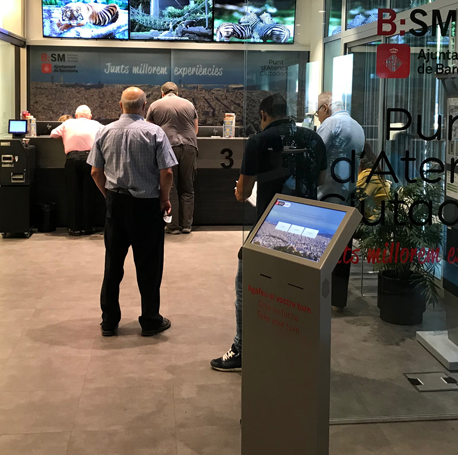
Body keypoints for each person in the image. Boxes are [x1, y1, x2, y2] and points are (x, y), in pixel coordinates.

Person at [210, 93, 327, 371]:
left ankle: (242, 348)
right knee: (298, 289)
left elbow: (244, 191)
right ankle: (295, 350)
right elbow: (321, 179)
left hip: (270, 228)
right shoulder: (313, 138)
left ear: (263, 114)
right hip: (307, 227)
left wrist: (239, 192)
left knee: (246, 284)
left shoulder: (258, 141)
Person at [88, 87, 178, 337]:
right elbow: (167, 172)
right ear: (144, 107)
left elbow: (95, 172)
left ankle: (109, 321)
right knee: (149, 266)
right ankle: (150, 320)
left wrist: (109, 196)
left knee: (113, 264)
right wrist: (164, 198)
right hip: (146, 206)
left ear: (121, 106)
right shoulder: (154, 132)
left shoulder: (104, 131)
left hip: (115, 203)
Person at [315, 93, 365, 311]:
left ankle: (319, 296)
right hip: (348, 194)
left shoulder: (331, 123)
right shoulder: (358, 127)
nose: (318, 117)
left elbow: (315, 152)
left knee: (321, 248)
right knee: (344, 249)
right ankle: (338, 298)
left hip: (327, 193)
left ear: (325, 108)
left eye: (318, 112)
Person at [147, 82, 199, 235]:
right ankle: (187, 225)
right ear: (177, 92)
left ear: (162, 93)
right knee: (187, 187)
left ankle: (173, 226)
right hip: (189, 146)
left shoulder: (155, 105)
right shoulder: (189, 105)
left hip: (167, 147)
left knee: (170, 187)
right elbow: (195, 130)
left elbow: (149, 131)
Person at [50, 105, 104, 236]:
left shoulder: (68, 123)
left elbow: (53, 134)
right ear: (90, 116)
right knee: (89, 193)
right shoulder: (96, 124)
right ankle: (87, 227)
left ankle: (74, 228)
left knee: (73, 193)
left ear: (76, 115)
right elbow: (106, 135)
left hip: (72, 159)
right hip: (90, 159)